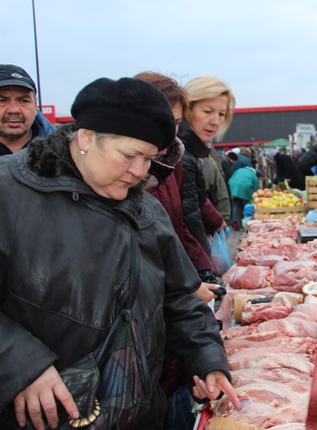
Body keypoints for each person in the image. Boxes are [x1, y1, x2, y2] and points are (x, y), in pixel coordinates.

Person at [0, 77, 240, 430]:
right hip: (40, 416)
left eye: (149, 159)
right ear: (86, 138)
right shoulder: (9, 192)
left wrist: (208, 360)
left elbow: (179, 299)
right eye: (128, 156)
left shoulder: (148, 211)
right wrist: (22, 363)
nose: (140, 172)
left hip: (138, 412)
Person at [135, 72, 225, 430]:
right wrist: (190, 284)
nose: (215, 120)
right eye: (207, 111)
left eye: (172, 123)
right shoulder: (130, 178)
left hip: (166, 335)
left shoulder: (171, 163)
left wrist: (200, 273)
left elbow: (181, 228)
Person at [184, 76, 235, 226]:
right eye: (207, 111)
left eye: (221, 114)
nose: (216, 122)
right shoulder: (175, 153)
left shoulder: (203, 152)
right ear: (187, 109)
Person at [0, 64, 55, 156]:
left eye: (24, 101)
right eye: (2, 100)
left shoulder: (67, 153)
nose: (14, 110)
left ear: (35, 105)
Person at [228, 158, 259, 231]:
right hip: (245, 187)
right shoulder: (254, 175)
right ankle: (248, 223)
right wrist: (253, 198)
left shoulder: (239, 170)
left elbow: (232, 178)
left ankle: (240, 226)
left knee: (237, 206)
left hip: (233, 186)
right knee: (248, 207)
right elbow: (255, 190)